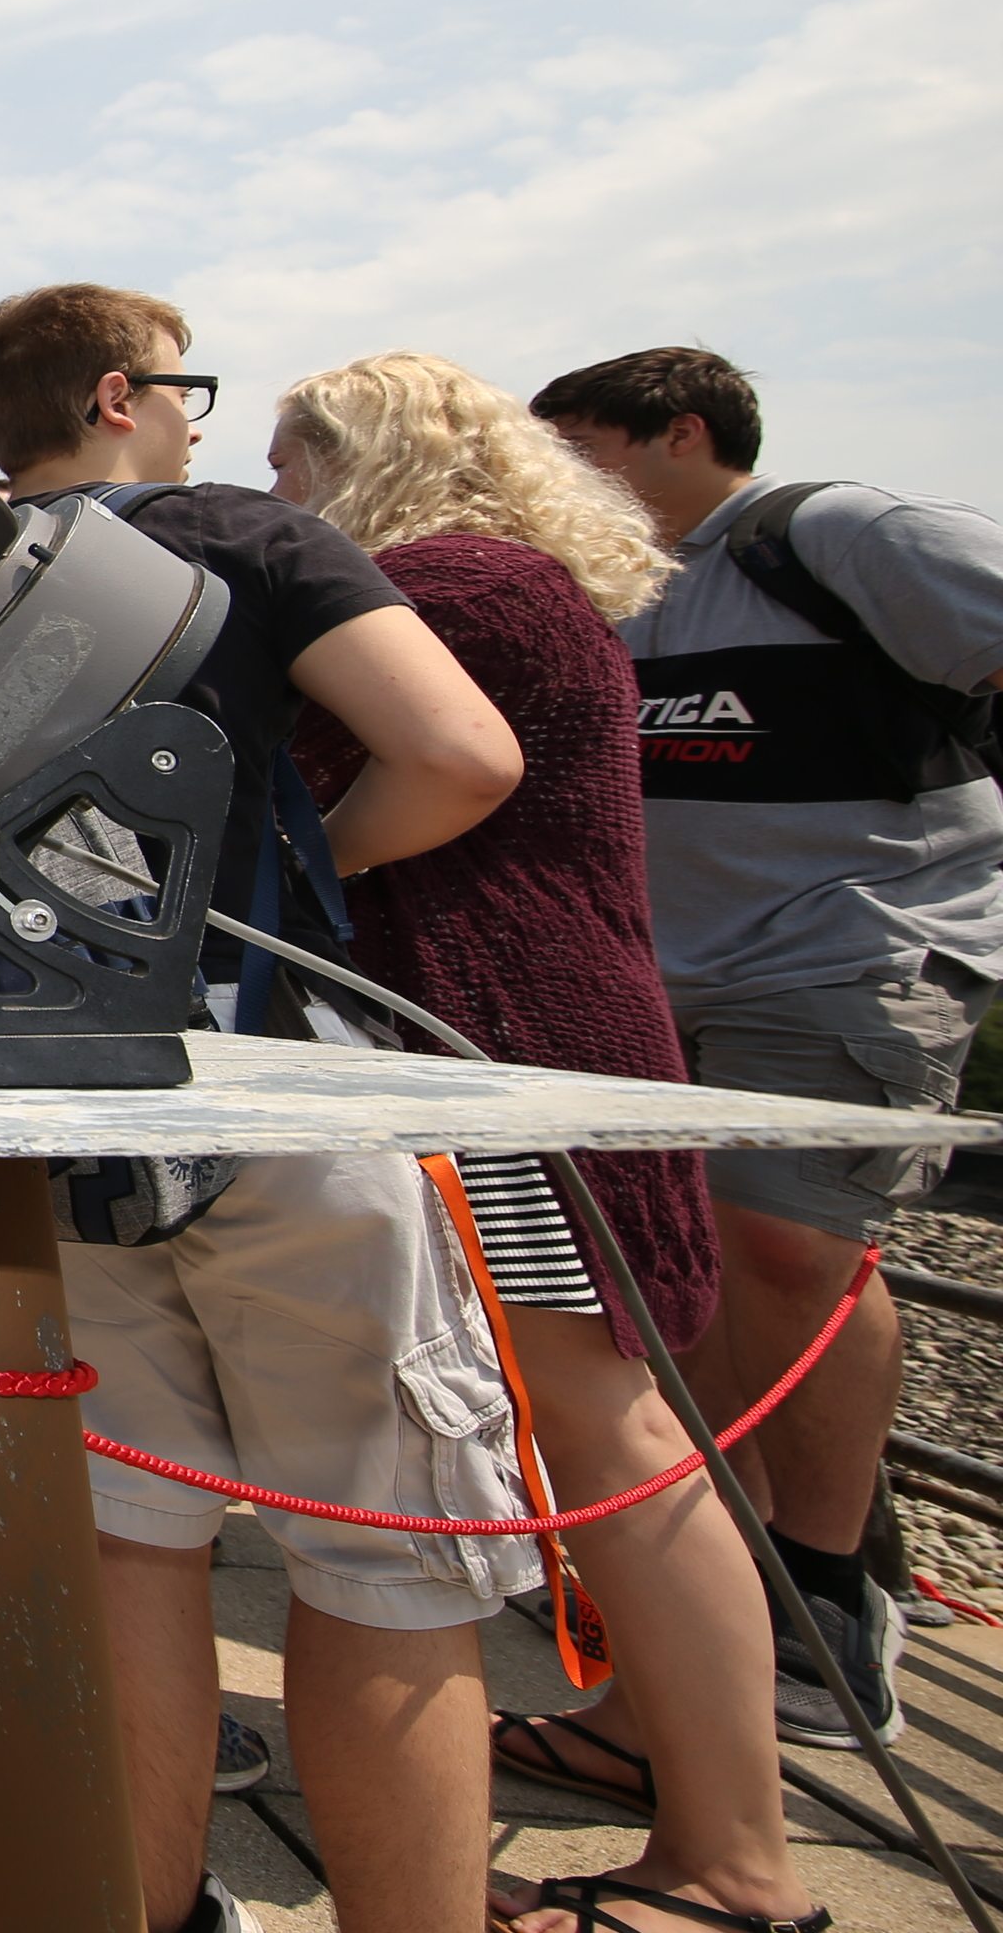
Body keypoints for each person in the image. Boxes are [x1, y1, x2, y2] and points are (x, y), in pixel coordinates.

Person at [0, 283, 535, 1933]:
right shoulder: (249, 538)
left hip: (48, 1104)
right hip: (273, 1082)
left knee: (130, 1537)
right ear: (123, 392)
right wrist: (282, 879)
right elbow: (462, 755)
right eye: (187, 386)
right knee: (385, 1557)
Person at [271, 354, 814, 1933]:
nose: (287, 505)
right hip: (533, 1036)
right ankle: (664, 1765)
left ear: (359, 460)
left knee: (603, 1427)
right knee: (606, 1423)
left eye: (296, 471)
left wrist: (302, 874)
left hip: (504, 1047)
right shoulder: (519, 581)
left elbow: (369, 793)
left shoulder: (451, 589)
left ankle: (737, 1867)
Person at [534, 345, 1003, 1753]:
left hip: (845, 959)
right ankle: (739, 1576)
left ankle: (827, 1588)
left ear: (681, 435)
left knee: (795, 1256)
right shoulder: (619, 603)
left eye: (578, 451)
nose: (555, 484)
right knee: (692, 1271)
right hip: (656, 982)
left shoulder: (843, 538)